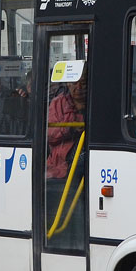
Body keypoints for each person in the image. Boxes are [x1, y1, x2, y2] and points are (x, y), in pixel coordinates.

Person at [45, 73, 87, 246]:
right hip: (62, 163)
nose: (78, 88)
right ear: (68, 85)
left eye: (83, 84)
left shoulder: (95, 101)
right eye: (74, 84)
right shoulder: (58, 103)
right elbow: (49, 134)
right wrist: (72, 127)